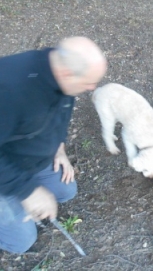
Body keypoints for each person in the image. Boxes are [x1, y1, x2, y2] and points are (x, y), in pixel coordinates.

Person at [0, 36, 107, 254]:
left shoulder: (64, 80)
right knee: (21, 241)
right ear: (67, 73)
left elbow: (60, 119)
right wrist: (27, 191)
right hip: (6, 167)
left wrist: (59, 149)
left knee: (65, 190)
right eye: (89, 82)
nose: (92, 88)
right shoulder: (11, 89)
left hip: (24, 160)